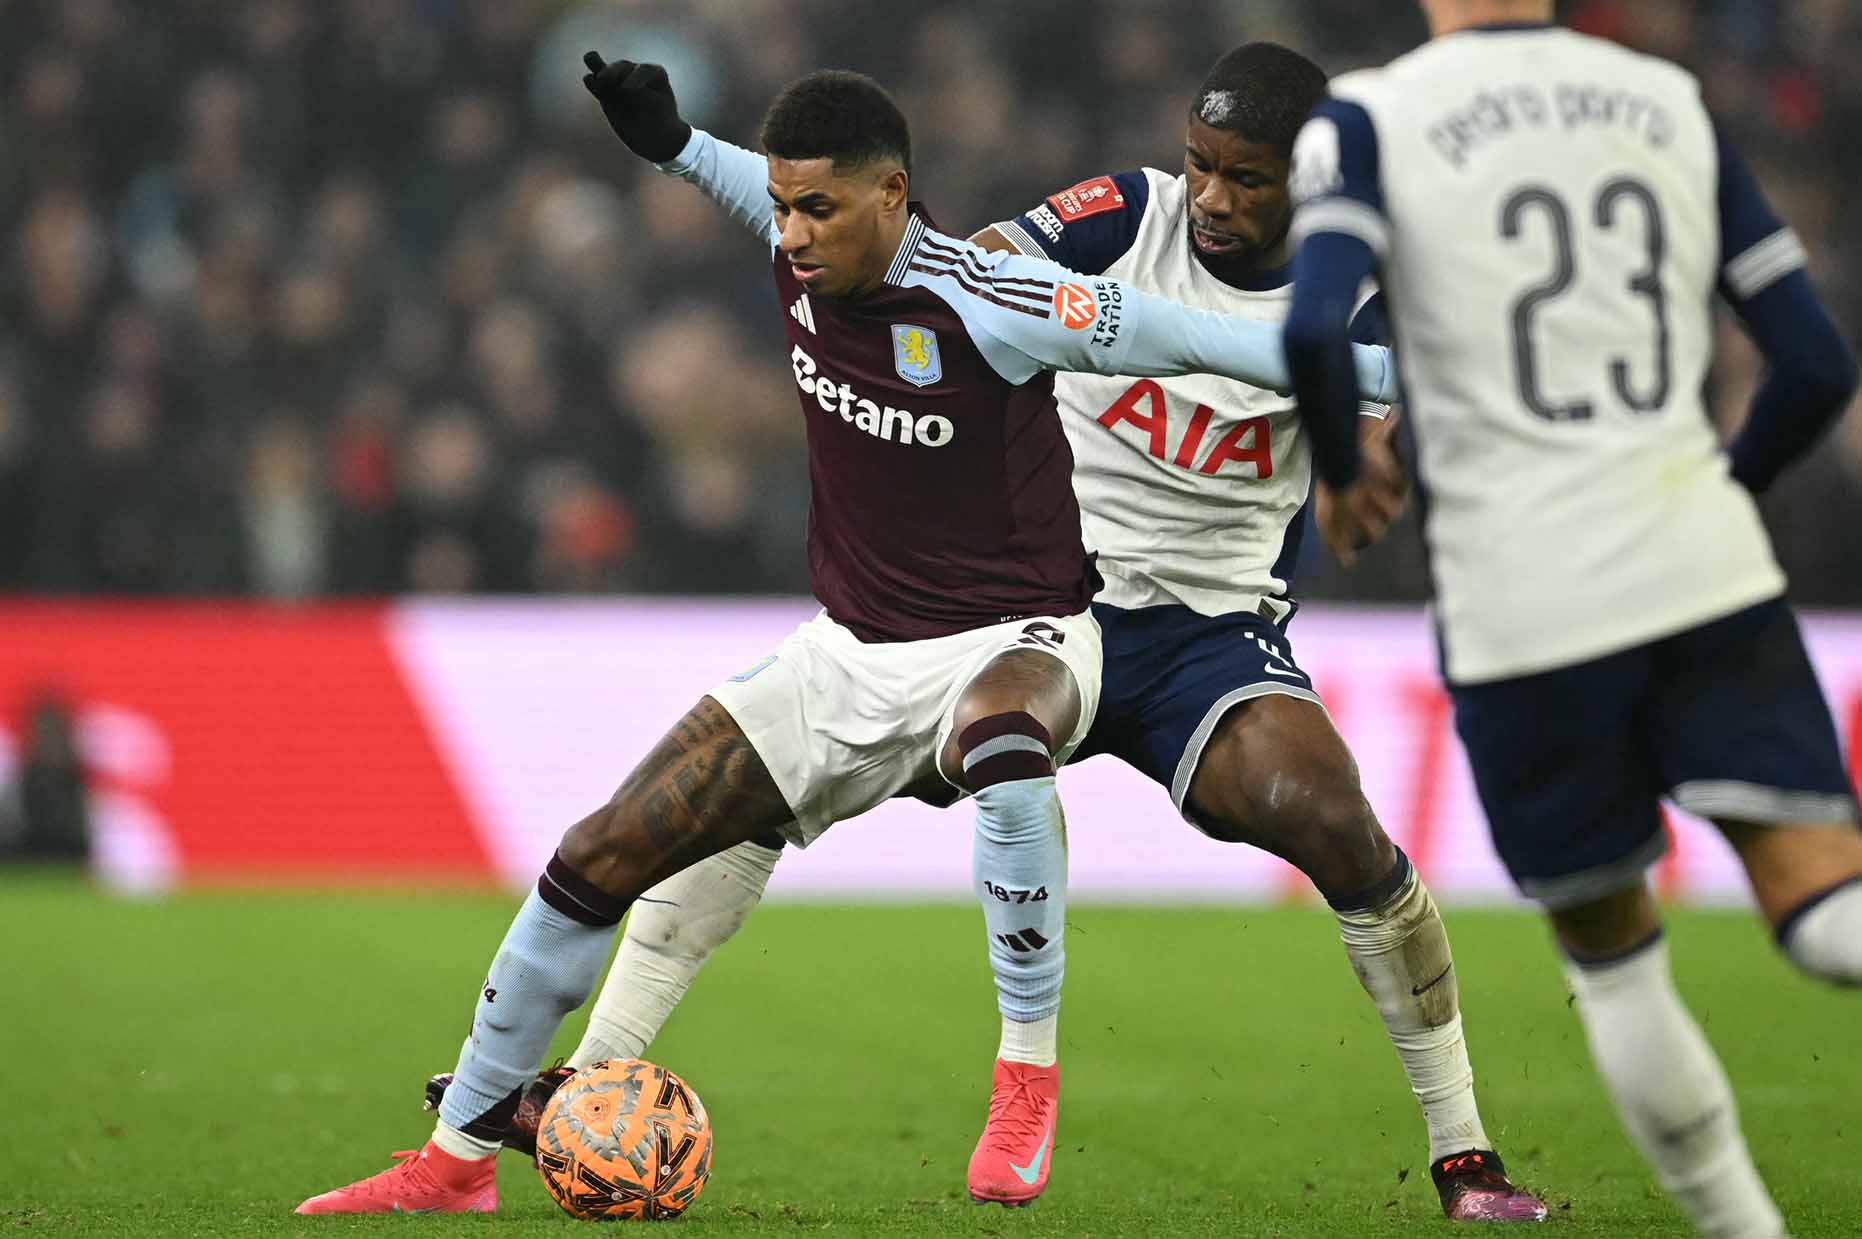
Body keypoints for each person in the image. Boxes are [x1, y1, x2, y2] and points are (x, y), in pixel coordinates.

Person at [425, 42, 1546, 1222]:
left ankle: (1461, 1152)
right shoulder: (1124, 214)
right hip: (1030, 602)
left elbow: (1404, 414)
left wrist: (1379, 450)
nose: (1210, 197)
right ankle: (584, 1082)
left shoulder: (1359, 297)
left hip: (1202, 633)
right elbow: (979, 264)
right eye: (1198, 165)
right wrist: (724, 174)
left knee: (1332, 823)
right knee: (751, 792)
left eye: (1245, 178)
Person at [1283, 3, 1862, 1236]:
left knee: (1611, 953)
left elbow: (1312, 329)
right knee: (1823, 912)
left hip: (1523, 603)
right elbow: (1814, 363)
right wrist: (1720, 489)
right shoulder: (1669, 103)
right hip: (1702, 568)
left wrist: (1340, 470)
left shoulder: (1368, 118)